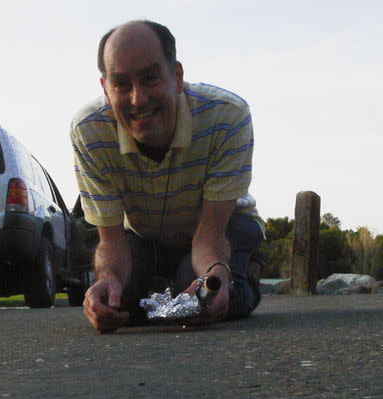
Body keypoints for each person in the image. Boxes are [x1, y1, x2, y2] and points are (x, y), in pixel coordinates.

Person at [71, 20, 265, 333]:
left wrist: (212, 274)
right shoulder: (89, 131)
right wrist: (107, 280)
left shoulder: (227, 117)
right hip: (143, 233)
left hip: (218, 227)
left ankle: (241, 280)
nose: (138, 99)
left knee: (205, 294)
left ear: (176, 77)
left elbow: (211, 232)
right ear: (106, 90)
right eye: (121, 84)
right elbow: (111, 240)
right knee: (123, 301)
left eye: (150, 78)